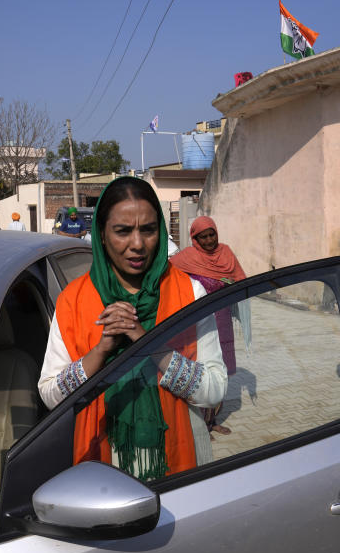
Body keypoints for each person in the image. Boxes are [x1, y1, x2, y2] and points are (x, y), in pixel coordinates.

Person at [38, 177, 227, 480]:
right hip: (101, 467)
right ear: (101, 234)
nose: (137, 244)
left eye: (148, 230)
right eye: (123, 231)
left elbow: (215, 390)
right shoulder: (73, 301)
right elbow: (50, 396)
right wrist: (101, 351)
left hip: (180, 461)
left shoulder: (189, 293)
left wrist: (149, 343)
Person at [170, 216, 246, 436]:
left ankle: (211, 421)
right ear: (195, 238)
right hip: (196, 324)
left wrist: (232, 285)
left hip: (221, 321)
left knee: (219, 369)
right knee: (199, 369)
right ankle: (196, 425)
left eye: (212, 234)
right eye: (203, 236)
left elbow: (240, 279)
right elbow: (169, 281)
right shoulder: (185, 259)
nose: (209, 240)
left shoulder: (226, 253)